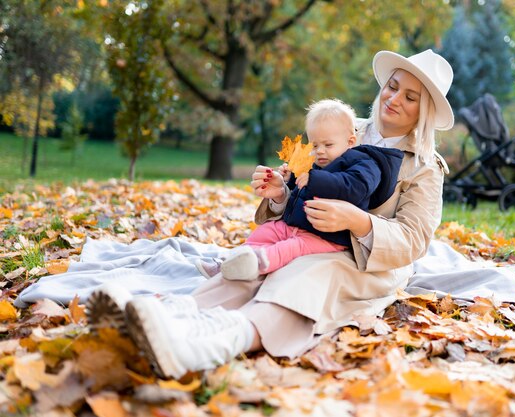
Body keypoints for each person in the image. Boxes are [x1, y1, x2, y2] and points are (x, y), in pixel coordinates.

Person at [86, 49, 454, 379]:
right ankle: (171, 317)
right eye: (392, 86)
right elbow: (302, 186)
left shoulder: (424, 166)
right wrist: (280, 192)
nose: (394, 99)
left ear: (424, 112)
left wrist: (357, 220)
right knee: (257, 260)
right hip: (308, 233)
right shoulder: (343, 127)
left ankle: (209, 344)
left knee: (307, 273)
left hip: (366, 261)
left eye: (410, 97)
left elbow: (415, 239)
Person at [194, 98, 403, 282]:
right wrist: (289, 181)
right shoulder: (318, 163)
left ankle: (256, 266)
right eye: (314, 145)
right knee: (266, 231)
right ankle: (231, 262)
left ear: (350, 142)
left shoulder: (363, 162)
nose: (319, 151)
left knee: (291, 248)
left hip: (327, 237)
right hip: (295, 224)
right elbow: (300, 190)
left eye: (328, 145)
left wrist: (315, 179)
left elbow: (355, 187)